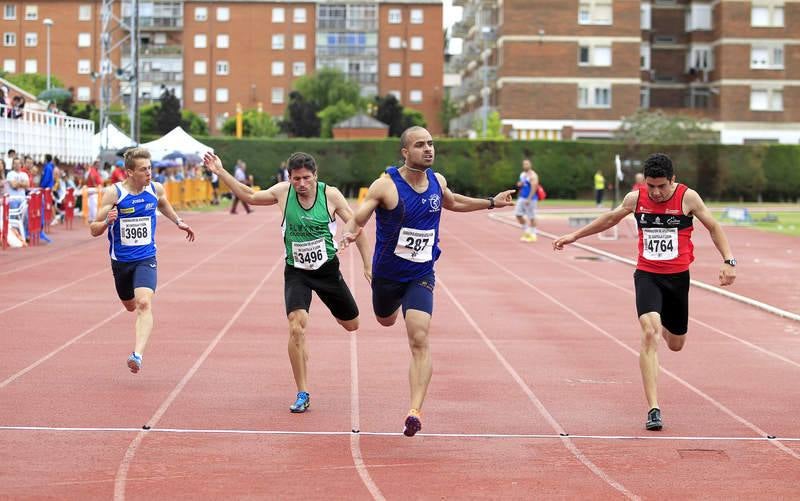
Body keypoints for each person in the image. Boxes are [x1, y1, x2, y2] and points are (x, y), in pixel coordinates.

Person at [341, 126, 515, 437]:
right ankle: (386, 304)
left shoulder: (437, 181)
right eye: (420, 145)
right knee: (384, 319)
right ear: (405, 152)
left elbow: (453, 202)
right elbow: (361, 213)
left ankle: (414, 411)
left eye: (431, 144)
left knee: (419, 337)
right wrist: (352, 229)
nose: (428, 149)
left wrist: (492, 202)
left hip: (420, 274)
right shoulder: (386, 186)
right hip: (387, 276)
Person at [553, 153, 736, 431]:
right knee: (649, 331)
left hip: (677, 279)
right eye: (651, 186)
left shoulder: (688, 198)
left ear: (672, 180)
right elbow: (610, 218)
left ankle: (664, 322)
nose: (656, 192)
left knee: (675, 344)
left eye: (662, 186)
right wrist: (574, 236)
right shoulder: (635, 198)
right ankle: (654, 408)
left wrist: (728, 260)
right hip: (647, 275)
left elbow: (714, 226)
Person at [203, 151, 371, 414]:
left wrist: (367, 265)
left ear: (315, 176)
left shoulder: (331, 195)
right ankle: (302, 391)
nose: (301, 184)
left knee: (352, 324)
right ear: (289, 178)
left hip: (327, 270)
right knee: (296, 326)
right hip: (297, 272)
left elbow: (357, 225)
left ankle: (306, 345)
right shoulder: (283, 192)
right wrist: (221, 172)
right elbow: (249, 195)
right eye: (296, 179)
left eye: (306, 178)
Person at [90, 147, 195, 374]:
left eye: (150, 168)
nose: (149, 173)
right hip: (121, 262)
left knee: (144, 303)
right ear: (129, 172)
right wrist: (107, 222)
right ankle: (133, 320)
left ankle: (137, 355)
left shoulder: (155, 189)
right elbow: (93, 229)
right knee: (129, 306)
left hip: (146, 258)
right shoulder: (114, 194)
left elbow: (163, 203)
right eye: (143, 170)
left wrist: (179, 222)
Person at [515, 158, 540, 242]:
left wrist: (529, 198)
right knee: (518, 214)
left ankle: (533, 234)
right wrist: (520, 184)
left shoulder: (533, 175)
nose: (525, 165)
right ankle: (527, 231)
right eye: (524, 164)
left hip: (531, 199)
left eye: (527, 164)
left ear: (530, 165)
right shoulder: (522, 174)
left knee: (532, 217)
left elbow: (534, 187)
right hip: (522, 197)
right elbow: (521, 185)